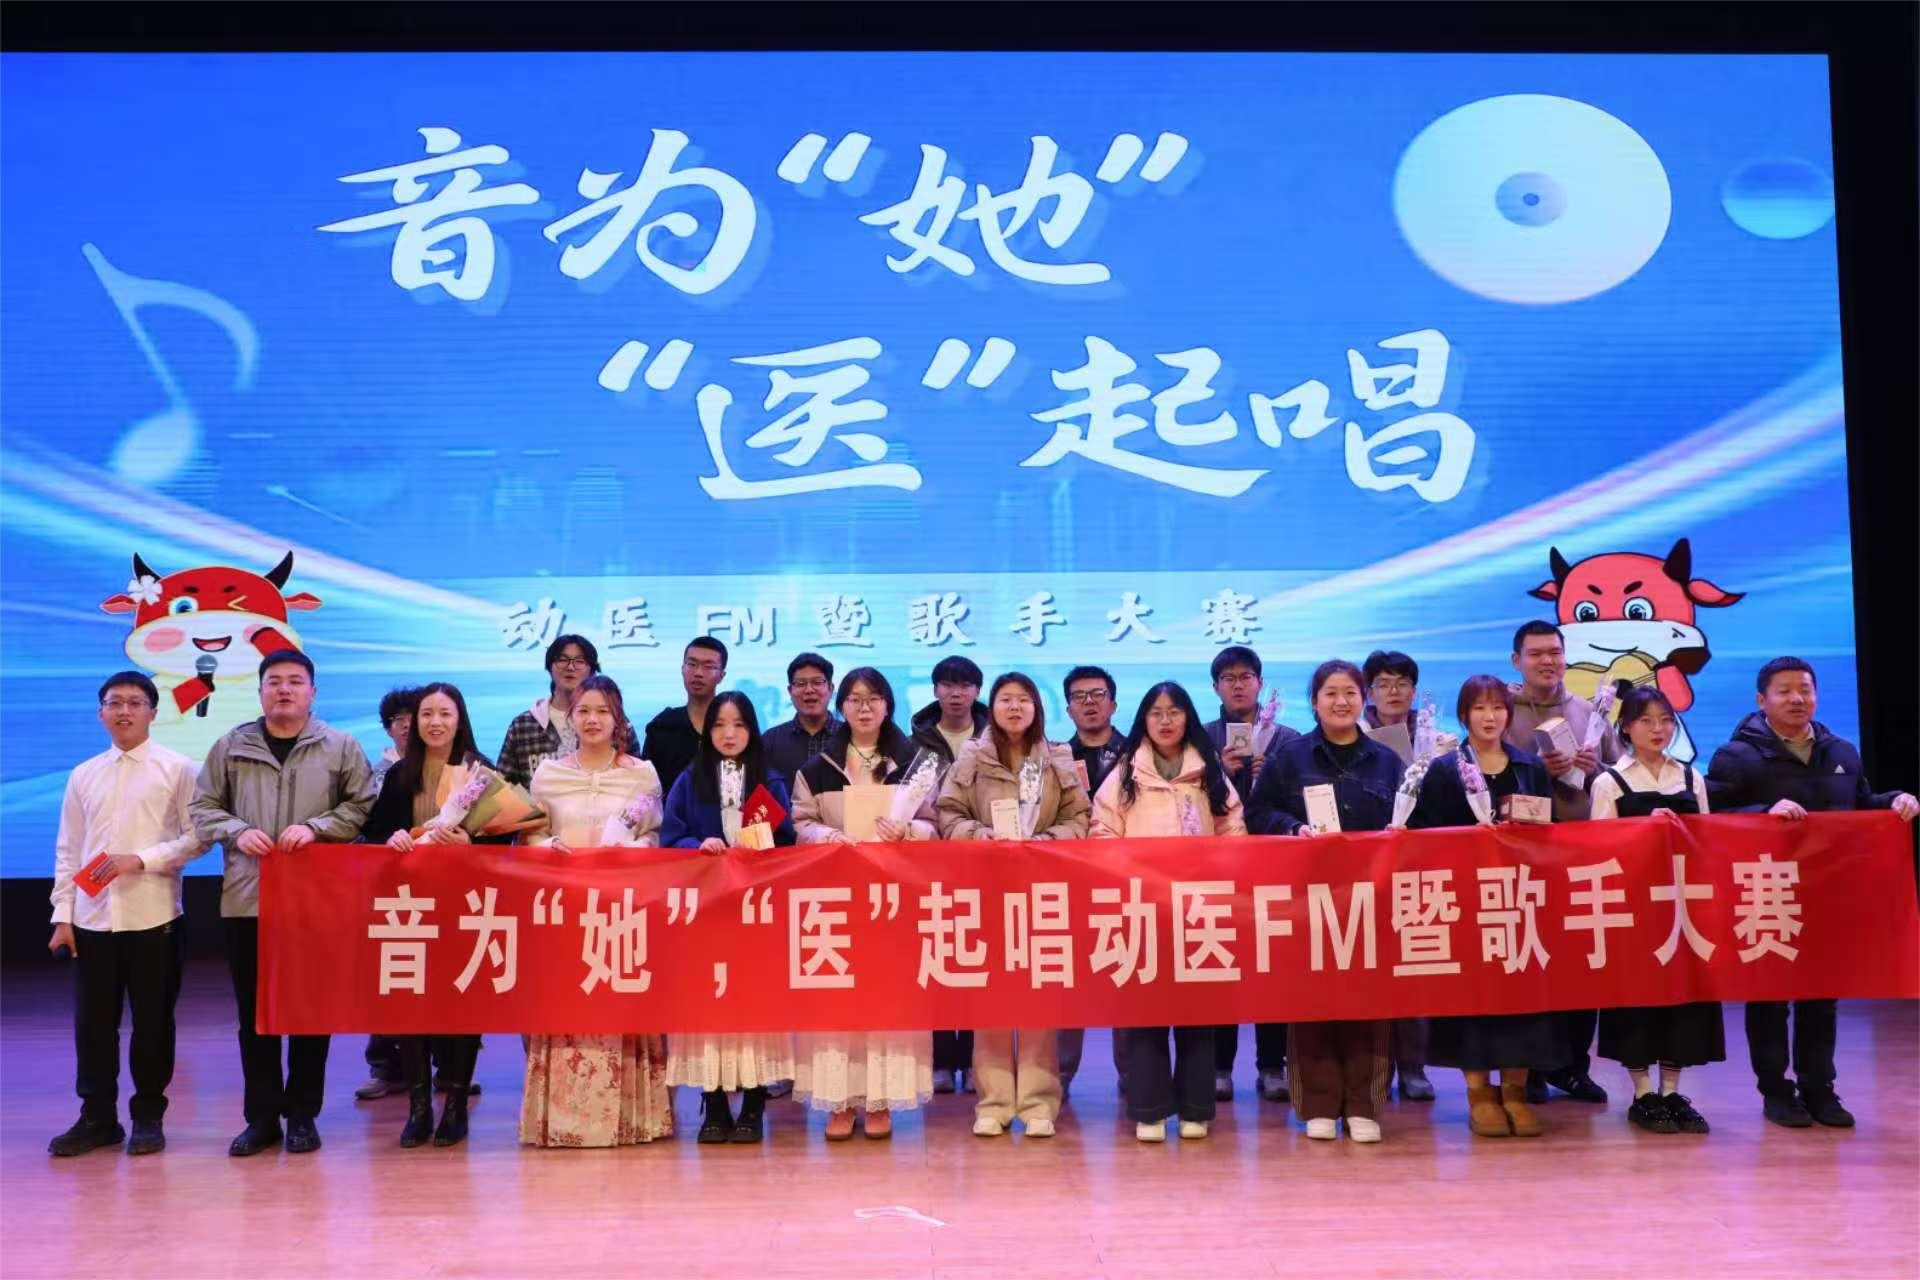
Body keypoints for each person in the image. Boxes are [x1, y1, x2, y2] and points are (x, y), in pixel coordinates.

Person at [1706, 656, 1919, 1129]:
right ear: (1762, 700)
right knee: (1769, 995)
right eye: (1784, 691)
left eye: (1805, 689)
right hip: (1768, 893)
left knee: (1822, 996)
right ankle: (1775, 1091)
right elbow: (1711, 817)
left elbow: (1859, 806)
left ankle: (1820, 1088)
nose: (1797, 699)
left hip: (1827, 893)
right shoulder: (1735, 757)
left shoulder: (1841, 751)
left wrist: (1893, 802)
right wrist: (1763, 811)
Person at [190, 649, 376, 1157]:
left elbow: (361, 805)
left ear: (312, 692)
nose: (284, 690)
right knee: (255, 1015)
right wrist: (237, 829)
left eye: (295, 681)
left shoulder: (340, 745)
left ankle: (302, 1116)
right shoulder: (231, 745)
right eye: (274, 681)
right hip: (247, 898)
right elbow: (202, 807)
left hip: (315, 902)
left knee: (310, 1011)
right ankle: (261, 1118)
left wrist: (317, 827)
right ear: (260, 692)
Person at [46, 672, 207, 1157]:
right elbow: (69, 849)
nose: (124, 711)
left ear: (153, 712)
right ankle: (97, 1118)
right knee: (93, 1025)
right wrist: (62, 916)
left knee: (153, 1022)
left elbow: (198, 838)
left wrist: (140, 860)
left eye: (135, 703)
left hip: (154, 916)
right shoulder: (83, 774)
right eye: (114, 702)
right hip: (92, 920)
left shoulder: (178, 768)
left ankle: (148, 1117)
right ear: (100, 713)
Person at [1247, 659, 1404, 1143]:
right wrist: (1292, 828)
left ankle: (1363, 1104)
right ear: (1314, 702)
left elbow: (1411, 819)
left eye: (1350, 693)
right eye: (1331, 693)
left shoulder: (1387, 760)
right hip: (1307, 899)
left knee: (1368, 1004)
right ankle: (1317, 1102)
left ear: (1364, 699)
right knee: (1312, 1002)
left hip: (1370, 900)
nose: (1341, 701)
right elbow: (1257, 812)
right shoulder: (1290, 757)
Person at [935, 672, 1090, 1139]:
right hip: (989, 891)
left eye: (1024, 699)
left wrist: (1045, 843)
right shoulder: (972, 756)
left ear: (1037, 708)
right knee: (993, 1001)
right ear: (993, 707)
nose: (1015, 707)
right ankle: (995, 1102)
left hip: (1043, 892)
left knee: (1040, 1000)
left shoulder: (1057, 756)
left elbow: (1079, 817)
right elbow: (948, 814)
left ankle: (1039, 1101)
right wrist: (983, 837)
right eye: (1006, 699)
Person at [1091, 681, 1247, 1143]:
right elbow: (1102, 832)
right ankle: (1151, 1108)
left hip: (1200, 908)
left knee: (1198, 1012)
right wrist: (1132, 876)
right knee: (1146, 1012)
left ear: (1187, 718)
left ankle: (1197, 1107)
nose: (1165, 720)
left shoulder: (1208, 769)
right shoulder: (1125, 773)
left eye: (1174, 711)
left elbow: (1233, 828)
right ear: (1144, 719)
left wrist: (1219, 873)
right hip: (1143, 907)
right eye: (1156, 712)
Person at [521, 675, 673, 1147]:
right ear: (571, 717)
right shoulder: (548, 774)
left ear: (618, 719)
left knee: (622, 1006)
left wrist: (631, 849)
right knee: (567, 1006)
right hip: (565, 909)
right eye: (584, 710)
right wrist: (547, 845)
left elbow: (655, 836)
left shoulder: (642, 774)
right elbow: (529, 833)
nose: (592, 720)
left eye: (603, 711)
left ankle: (634, 1119)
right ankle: (563, 1121)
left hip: (622, 911)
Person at [1407, 675, 1558, 1138]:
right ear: (1464, 715)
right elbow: (1424, 835)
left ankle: (1515, 1091)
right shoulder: (1443, 770)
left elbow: (1549, 832)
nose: (1490, 717)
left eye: (1498, 707)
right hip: (1467, 904)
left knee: (1522, 1001)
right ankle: (1479, 1095)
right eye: (1479, 708)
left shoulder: (1529, 767)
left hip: (1519, 901)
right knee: (1472, 1003)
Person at [791, 667, 936, 1139]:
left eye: (874, 698)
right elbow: (801, 822)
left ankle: (880, 1099)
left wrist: (910, 831)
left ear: (888, 706)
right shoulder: (818, 766)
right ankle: (840, 1100)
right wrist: (827, 836)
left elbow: (937, 823)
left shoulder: (913, 763)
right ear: (842, 708)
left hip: (893, 899)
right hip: (836, 899)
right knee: (837, 1002)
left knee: (886, 999)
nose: (865, 707)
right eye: (854, 699)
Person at [360, 682, 496, 1148]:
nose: (435, 722)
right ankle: (418, 1108)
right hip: (411, 907)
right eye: (426, 714)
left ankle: (454, 1105)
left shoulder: (482, 773)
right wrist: (393, 839)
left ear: (460, 720)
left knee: (462, 1003)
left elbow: (507, 840)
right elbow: (374, 834)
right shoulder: (401, 774)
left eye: (445, 714)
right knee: (411, 1003)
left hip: (465, 907)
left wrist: (472, 843)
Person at [660, 691, 797, 1144]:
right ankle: (714, 1104)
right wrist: (697, 846)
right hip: (706, 913)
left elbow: (787, 842)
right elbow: (670, 838)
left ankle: (754, 1104)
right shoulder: (690, 778)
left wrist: (759, 848)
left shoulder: (770, 780)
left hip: (756, 915)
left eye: (738, 724)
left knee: (754, 1008)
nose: (729, 734)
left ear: (752, 730)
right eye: (719, 725)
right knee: (707, 1009)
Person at [1590, 686, 1721, 1135]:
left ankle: (1672, 1091)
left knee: (1683, 999)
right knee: (1638, 1001)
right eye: (1646, 720)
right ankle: (1642, 1093)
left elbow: (1707, 841)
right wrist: (1644, 833)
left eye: (1665, 720)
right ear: (1626, 728)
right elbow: (1598, 850)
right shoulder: (1610, 782)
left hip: (1683, 906)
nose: (1658, 729)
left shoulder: (1690, 777)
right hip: (1633, 910)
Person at [1504, 620, 1617, 1105]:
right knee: (1527, 961)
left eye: (1554, 651)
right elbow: (1483, 773)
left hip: (1582, 855)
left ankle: (1573, 1066)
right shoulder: (1500, 711)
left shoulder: (1590, 711)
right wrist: (1535, 766)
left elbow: (1621, 773)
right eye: (1536, 654)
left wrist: (1597, 769)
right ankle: (1527, 1066)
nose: (1547, 661)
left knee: (1582, 961)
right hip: (1522, 856)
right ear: (1517, 661)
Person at [1203, 645, 1299, 1103]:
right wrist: (1217, 772)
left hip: (1276, 870)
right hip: (1219, 870)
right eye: (1228, 678)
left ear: (1260, 683)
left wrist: (1270, 775)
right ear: (1215, 687)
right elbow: (1191, 803)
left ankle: (1271, 1065)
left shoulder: (1288, 738)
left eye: (1246, 676)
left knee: (1273, 968)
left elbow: (1296, 800)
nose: (1238, 685)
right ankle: (1219, 1066)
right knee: (1220, 965)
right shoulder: (1201, 737)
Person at [907, 653, 987, 1093]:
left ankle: (974, 1059)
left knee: (978, 961)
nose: (956, 694)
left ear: (977, 691)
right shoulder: (914, 742)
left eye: (965, 685)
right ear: (935, 690)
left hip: (981, 862)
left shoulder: (994, 737)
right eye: (948, 685)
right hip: (931, 866)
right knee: (936, 959)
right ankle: (941, 1059)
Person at [1362, 649, 1434, 1103]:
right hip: (1365, 869)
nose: (1394, 692)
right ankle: (1375, 1066)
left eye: (1403, 683)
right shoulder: (1355, 734)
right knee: (1369, 972)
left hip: (1416, 866)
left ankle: (1413, 1067)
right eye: (1384, 684)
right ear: (1368, 692)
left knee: (1413, 969)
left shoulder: (1435, 738)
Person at [1058, 664, 1132, 1099]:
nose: (1089, 703)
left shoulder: (1136, 754)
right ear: (1067, 708)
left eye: (1098, 694)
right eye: (1079, 696)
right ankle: (1060, 1075)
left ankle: (1133, 1073)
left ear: (1114, 704)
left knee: (1126, 975)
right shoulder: (1053, 758)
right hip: (1068, 885)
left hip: (1126, 884)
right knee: (1067, 981)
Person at [357, 685, 420, 1102]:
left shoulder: (452, 767)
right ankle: (384, 1066)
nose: (408, 727)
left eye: (415, 718)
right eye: (399, 720)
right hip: (384, 891)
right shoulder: (374, 774)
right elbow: (363, 826)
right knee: (387, 979)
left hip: (436, 891)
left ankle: (444, 1067)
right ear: (388, 728)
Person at [496, 634, 638, 789]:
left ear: (592, 670)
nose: (570, 667)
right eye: (562, 660)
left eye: (579, 661)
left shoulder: (615, 722)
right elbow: (502, 787)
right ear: (549, 667)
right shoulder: (523, 725)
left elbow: (636, 778)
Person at [642, 636, 728, 795]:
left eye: (708, 666)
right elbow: (646, 787)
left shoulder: (734, 727)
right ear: (682, 669)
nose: (698, 673)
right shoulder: (663, 726)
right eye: (692, 664)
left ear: (722, 675)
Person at [762, 652, 839, 782]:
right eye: (800, 683)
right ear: (790, 691)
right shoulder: (770, 741)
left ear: (831, 689)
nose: (809, 690)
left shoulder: (849, 736)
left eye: (817, 682)